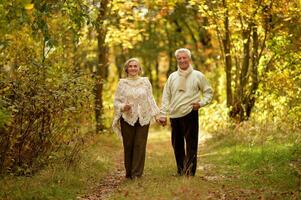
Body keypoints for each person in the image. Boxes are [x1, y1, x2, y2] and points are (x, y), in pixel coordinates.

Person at [158, 48, 213, 176]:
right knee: (177, 145)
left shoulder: (198, 75)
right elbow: (166, 96)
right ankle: (181, 170)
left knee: (191, 144)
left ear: (189, 59)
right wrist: (163, 114)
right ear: (177, 60)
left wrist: (200, 103)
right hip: (174, 115)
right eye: (180, 58)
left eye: (184, 58)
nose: (182, 60)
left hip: (190, 113)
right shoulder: (172, 77)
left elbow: (208, 92)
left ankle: (189, 172)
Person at [112, 58, 160, 179]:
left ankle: (136, 174)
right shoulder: (122, 83)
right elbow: (116, 102)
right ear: (127, 69)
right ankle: (129, 173)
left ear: (139, 69)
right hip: (127, 118)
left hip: (143, 117)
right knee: (128, 145)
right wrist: (123, 106)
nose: (133, 68)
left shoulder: (145, 82)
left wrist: (157, 114)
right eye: (131, 66)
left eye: (135, 66)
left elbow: (151, 99)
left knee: (140, 145)